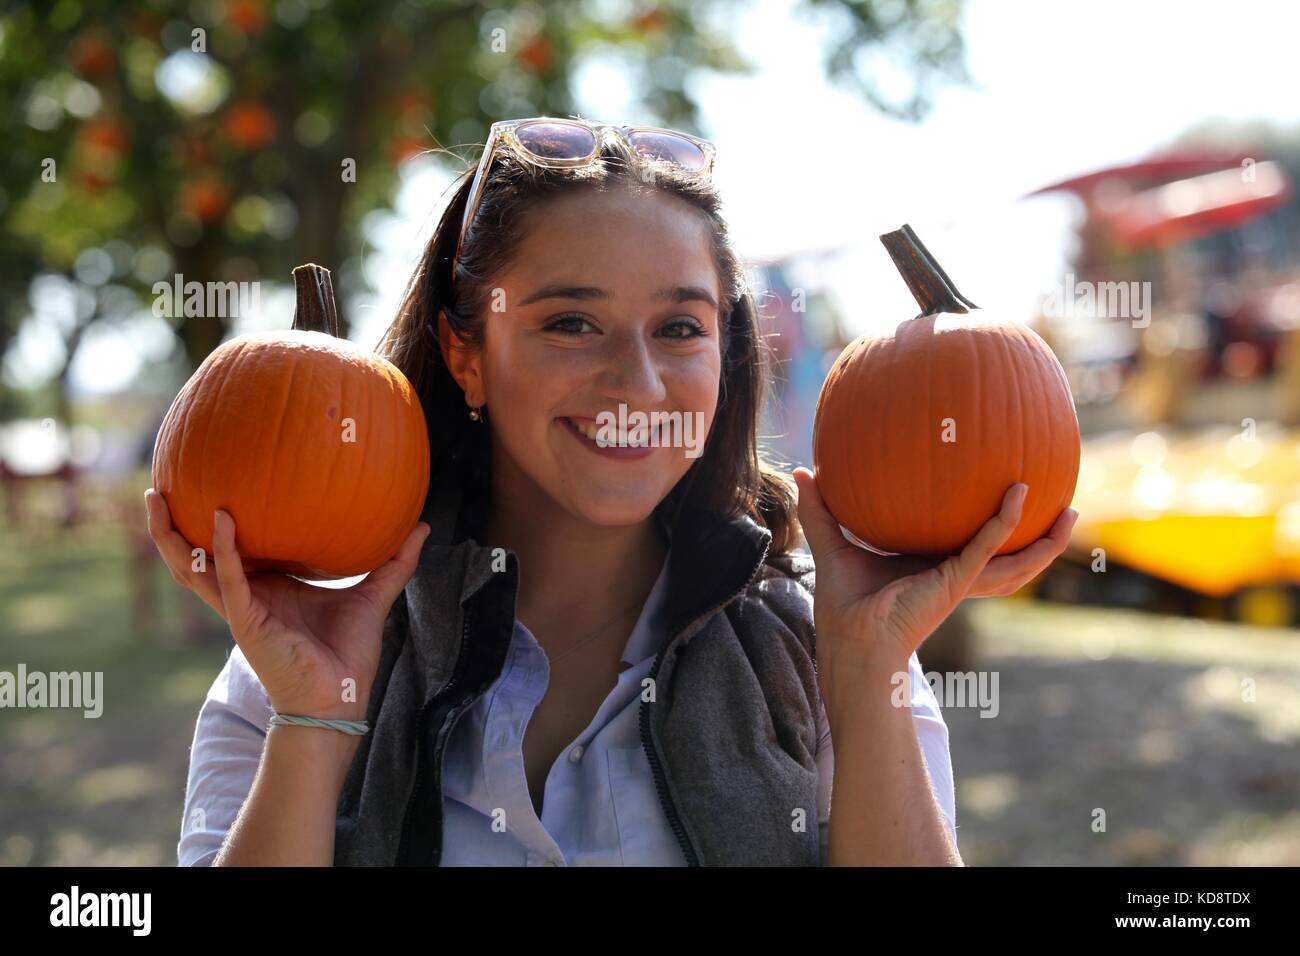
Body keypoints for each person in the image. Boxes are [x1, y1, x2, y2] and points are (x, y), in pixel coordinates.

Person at [147, 117, 1077, 866]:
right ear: (467, 355)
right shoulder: (297, 665)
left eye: (679, 326)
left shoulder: (828, 650)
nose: (637, 384)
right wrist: (316, 718)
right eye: (573, 323)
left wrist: (867, 673)